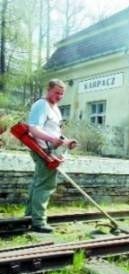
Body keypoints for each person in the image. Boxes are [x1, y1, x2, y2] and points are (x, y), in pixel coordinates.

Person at [25, 79, 77, 233]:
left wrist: (67, 142)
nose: (59, 96)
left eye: (62, 93)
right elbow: (33, 129)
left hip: (50, 150)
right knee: (46, 185)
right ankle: (39, 222)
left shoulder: (55, 108)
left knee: (38, 183)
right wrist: (51, 139)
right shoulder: (41, 105)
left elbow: (56, 133)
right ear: (48, 90)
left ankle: (30, 216)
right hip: (42, 150)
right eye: (57, 92)